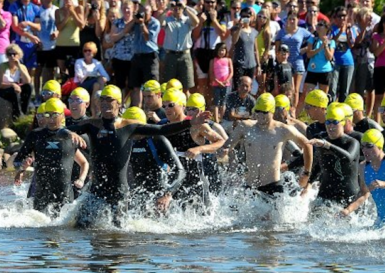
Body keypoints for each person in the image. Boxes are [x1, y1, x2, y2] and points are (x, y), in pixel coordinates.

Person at [67, 85, 207, 227]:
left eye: (109, 100)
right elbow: (62, 132)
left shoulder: (151, 138)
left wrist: (167, 194)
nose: (135, 138)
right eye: (102, 99)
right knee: (80, 228)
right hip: (104, 192)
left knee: (121, 233)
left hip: (138, 195)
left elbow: (163, 131)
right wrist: (69, 134)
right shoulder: (95, 126)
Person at [224, 93, 314, 199]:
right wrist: (223, 152)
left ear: (272, 111)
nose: (260, 116)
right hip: (250, 186)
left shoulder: (283, 129)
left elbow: (308, 145)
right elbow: (225, 148)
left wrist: (307, 173)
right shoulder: (245, 127)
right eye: (258, 111)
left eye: (264, 112)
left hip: (273, 186)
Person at [13, 99, 89, 216]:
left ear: (62, 115)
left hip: (65, 194)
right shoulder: (36, 135)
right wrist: (21, 168)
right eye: (47, 115)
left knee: (63, 231)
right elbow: (17, 161)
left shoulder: (70, 137)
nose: (51, 119)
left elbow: (84, 163)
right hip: (41, 193)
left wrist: (81, 179)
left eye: (55, 115)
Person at [306, 105, 360, 209]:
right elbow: (318, 165)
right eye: (328, 122)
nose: (331, 126)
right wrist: (309, 184)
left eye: (335, 122)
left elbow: (348, 158)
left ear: (343, 122)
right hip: (326, 193)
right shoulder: (323, 141)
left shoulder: (352, 142)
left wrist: (327, 145)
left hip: (347, 195)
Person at [158, 0, 199, 91]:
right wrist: (167, 8)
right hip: (170, 55)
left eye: (179, 5)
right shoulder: (168, 19)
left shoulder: (187, 20)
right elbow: (159, 22)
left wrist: (185, 8)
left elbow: (196, 21)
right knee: (168, 86)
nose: (177, 8)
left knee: (186, 87)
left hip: (185, 55)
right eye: (175, 6)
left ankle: (186, 104)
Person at [0, 43, 34, 118]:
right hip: (5, 90)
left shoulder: (22, 67)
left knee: (29, 87)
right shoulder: (2, 66)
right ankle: (18, 115)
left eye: (14, 54)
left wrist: (19, 66)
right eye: (9, 54)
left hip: (16, 88)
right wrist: (12, 85)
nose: (12, 56)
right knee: (14, 90)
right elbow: (0, 85)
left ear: (19, 55)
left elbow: (28, 81)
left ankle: (24, 112)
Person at [55, 0, 85, 80]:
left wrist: (72, 12)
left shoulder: (79, 8)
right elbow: (59, 27)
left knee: (73, 71)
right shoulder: (58, 11)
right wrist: (67, 16)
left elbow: (81, 25)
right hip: (61, 44)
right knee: (63, 72)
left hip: (74, 44)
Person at [209, 43, 233, 120]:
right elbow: (211, 73)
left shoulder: (229, 60)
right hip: (216, 84)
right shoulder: (213, 61)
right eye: (219, 50)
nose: (221, 52)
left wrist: (227, 81)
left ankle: (221, 119)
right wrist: (218, 82)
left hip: (226, 85)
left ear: (226, 51)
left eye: (223, 50)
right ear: (216, 51)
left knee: (223, 103)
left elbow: (231, 72)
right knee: (216, 102)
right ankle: (216, 120)